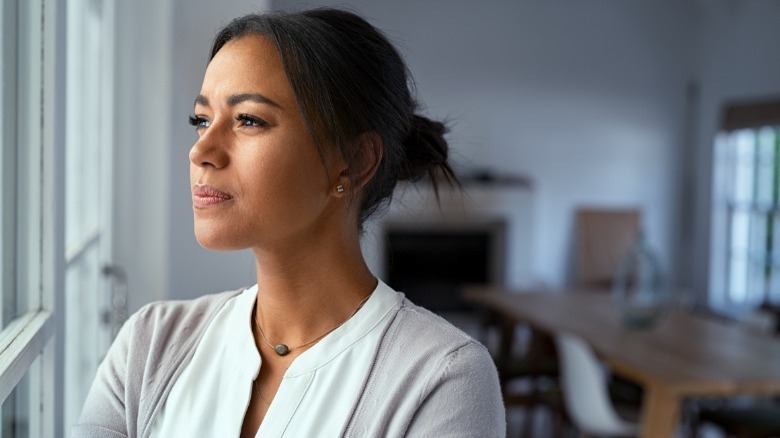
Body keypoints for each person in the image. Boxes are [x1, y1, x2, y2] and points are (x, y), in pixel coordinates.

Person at [74, 7, 505, 438]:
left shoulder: (443, 380)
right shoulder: (149, 346)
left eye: (249, 120)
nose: (201, 150)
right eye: (201, 120)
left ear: (352, 163)